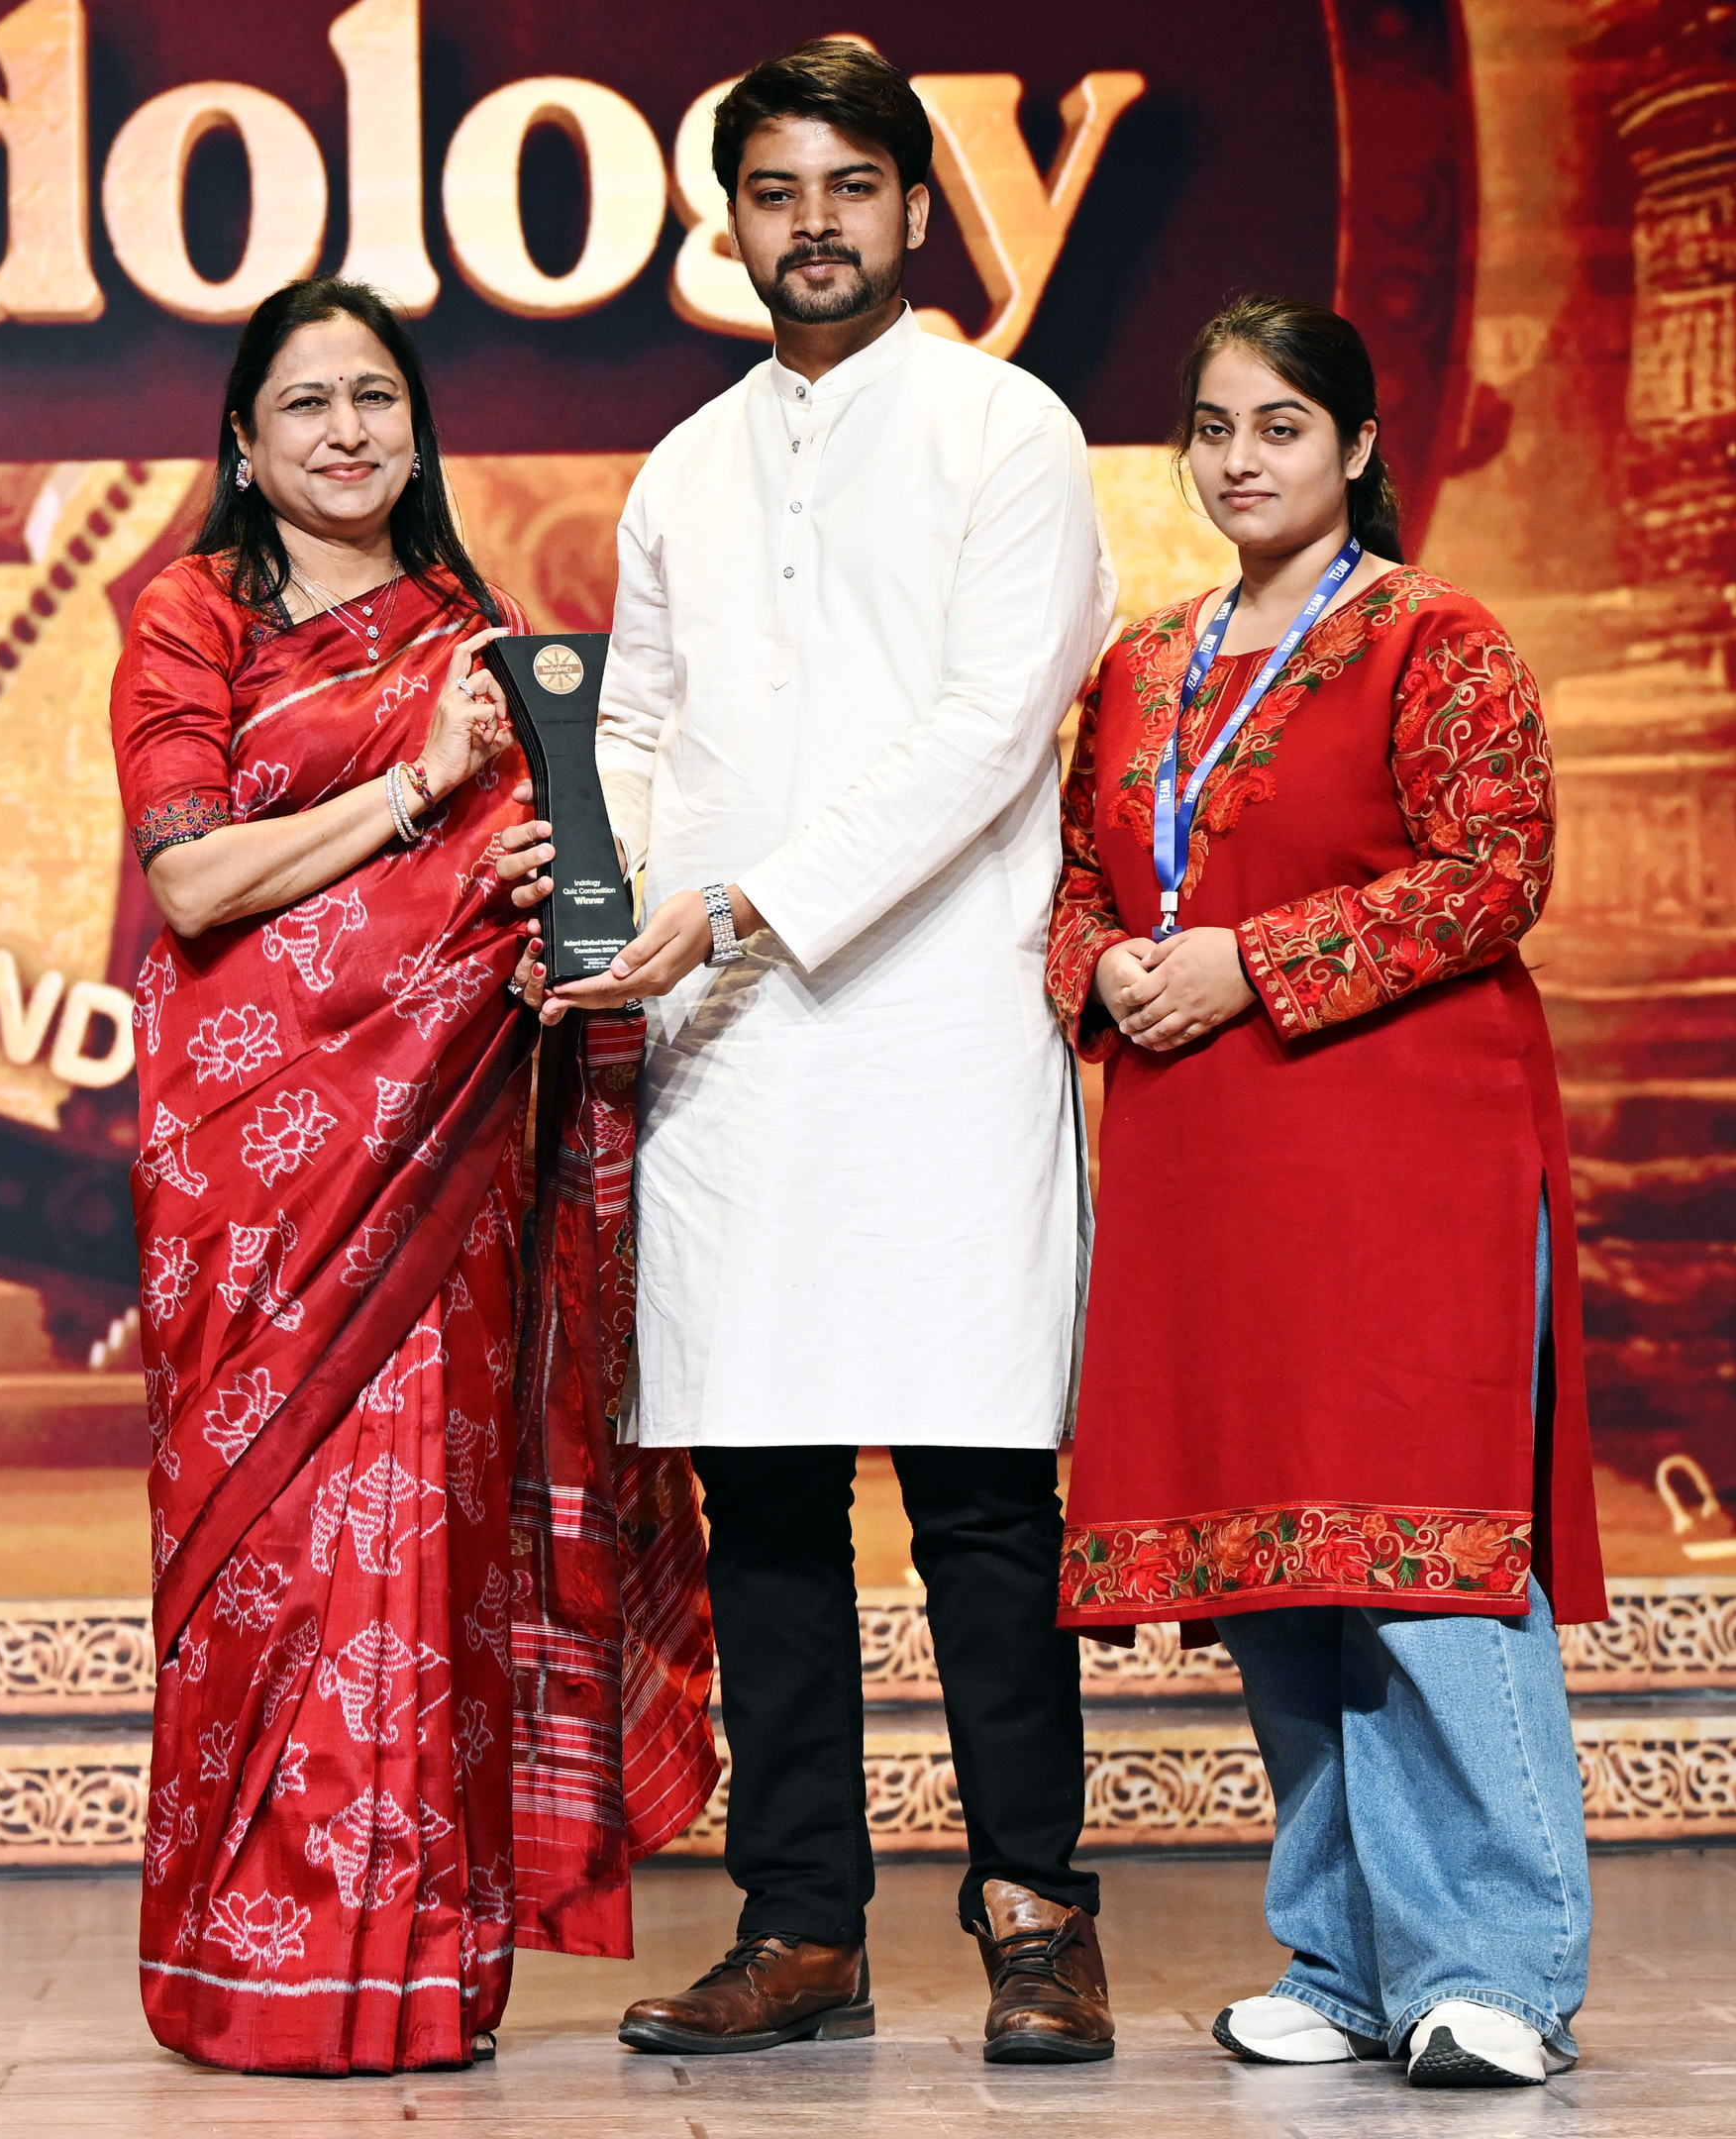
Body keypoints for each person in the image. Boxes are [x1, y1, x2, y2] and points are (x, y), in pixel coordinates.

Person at [534, 40, 1120, 2067]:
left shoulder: (1004, 427)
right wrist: (583, 873)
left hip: (934, 1023)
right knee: (767, 1498)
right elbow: (638, 721)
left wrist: (763, 898)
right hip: (725, 1048)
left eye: (848, 190)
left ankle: (1041, 1922)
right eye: (774, 193)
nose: (812, 228)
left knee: (978, 1500)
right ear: (726, 224)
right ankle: (803, 1929)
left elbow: (984, 733)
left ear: (913, 208)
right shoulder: (688, 465)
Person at [110, 276, 715, 2077]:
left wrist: (534, 897)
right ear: (243, 438)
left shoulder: (481, 632)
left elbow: (546, 872)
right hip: (254, 1191)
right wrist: (417, 794)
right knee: (267, 1574)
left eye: (377, 396)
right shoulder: (188, 616)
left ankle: (421, 1970)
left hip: (444, 1164)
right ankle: (246, 1963)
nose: (347, 432)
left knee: (426, 1568)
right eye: (305, 403)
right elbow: (196, 888)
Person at [1048, 292, 1606, 2089]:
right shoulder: (1146, 667)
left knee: (1428, 1557)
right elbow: (1075, 875)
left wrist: (1246, 963)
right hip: (1209, 1162)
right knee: (1284, 1565)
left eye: (1281, 426)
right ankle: (1350, 1961)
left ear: (1360, 447)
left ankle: (1500, 1969)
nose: (1240, 460)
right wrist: (1105, 973)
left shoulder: (1437, 642)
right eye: (1213, 426)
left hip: (1404, 1154)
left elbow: (1495, 871)